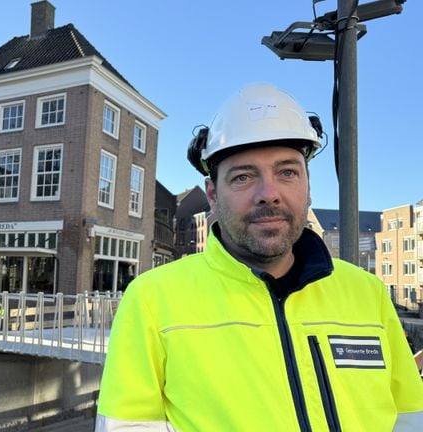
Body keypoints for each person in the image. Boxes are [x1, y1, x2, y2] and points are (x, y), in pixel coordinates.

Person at [96, 83, 423, 431]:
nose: (269, 194)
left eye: (287, 172)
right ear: (212, 194)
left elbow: (409, 418)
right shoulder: (152, 300)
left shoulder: (367, 294)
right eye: (242, 177)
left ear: (308, 187)